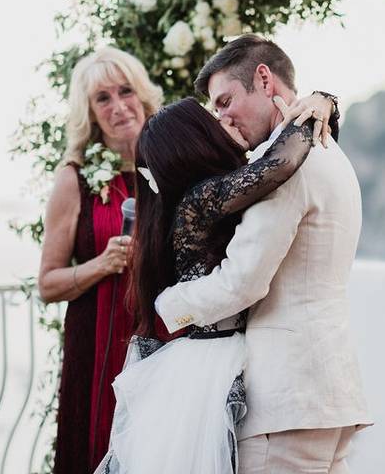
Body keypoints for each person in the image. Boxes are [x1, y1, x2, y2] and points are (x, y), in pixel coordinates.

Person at [155, 34, 371, 473]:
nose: (222, 116)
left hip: (287, 396)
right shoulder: (330, 152)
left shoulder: (283, 165)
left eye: (226, 100)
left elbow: (243, 281)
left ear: (264, 79)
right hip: (331, 390)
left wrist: (167, 304)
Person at [97, 90, 333, 473]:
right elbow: (280, 163)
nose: (223, 120)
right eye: (212, 120)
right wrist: (320, 105)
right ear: (195, 140)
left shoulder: (195, 200)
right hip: (212, 361)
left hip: (207, 357)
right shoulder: (200, 198)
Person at [37, 47, 163, 472]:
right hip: (98, 345)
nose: (118, 106)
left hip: (165, 340)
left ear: (142, 95)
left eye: (125, 91)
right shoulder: (74, 179)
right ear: (90, 113)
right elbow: (47, 284)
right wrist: (102, 264)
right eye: (102, 98)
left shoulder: (174, 166)